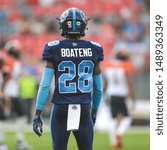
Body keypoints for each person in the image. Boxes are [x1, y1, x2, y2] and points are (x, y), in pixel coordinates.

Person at [33, 7, 104, 150]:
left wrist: (37, 115)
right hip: (84, 108)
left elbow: (45, 84)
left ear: (63, 25)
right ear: (83, 25)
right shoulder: (94, 49)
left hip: (61, 107)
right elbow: (98, 88)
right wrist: (94, 111)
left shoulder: (53, 48)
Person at [103, 50, 135, 149]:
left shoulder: (108, 65)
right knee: (127, 117)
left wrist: (103, 95)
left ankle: (114, 142)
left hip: (110, 94)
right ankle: (119, 133)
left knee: (113, 118)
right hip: (122, 94)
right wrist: (132, 96)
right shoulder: (126, 65)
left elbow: (105, 82)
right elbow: (129, 82)